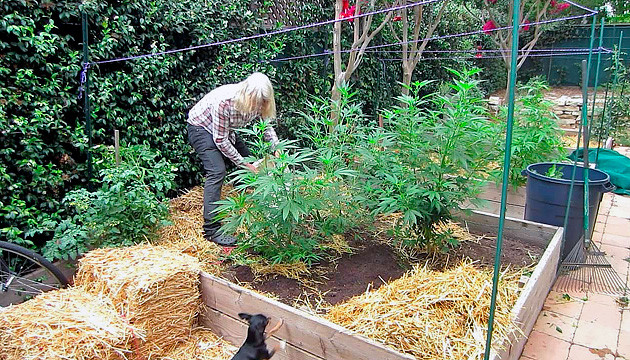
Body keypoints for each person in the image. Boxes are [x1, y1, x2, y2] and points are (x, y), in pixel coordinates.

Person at [187, 72, 280, 246]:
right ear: (247, 95)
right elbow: (220, 140)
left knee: (250, 159)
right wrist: (244, 164)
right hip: (201, 128)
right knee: (217, 171)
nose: (259, 106)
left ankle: (248, 206)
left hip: (226, 131)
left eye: (263, 103)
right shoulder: (225, 102)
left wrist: (277, 149)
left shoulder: (261, 102)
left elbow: (266, 127)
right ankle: (211, 230)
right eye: (256, 102)